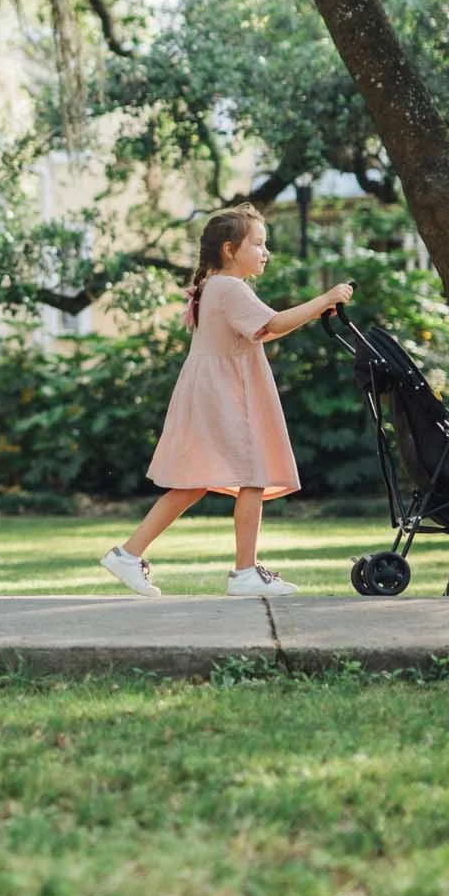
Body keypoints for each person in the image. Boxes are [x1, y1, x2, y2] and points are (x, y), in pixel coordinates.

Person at [98, 204, 352, 600]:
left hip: (211, 391)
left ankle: (128, 555)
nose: (266, 252)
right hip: (226, 395)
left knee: (193, 483)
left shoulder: (214, 287)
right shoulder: (230, 288)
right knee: (252, 475)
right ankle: (244, 572)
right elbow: (273, 324)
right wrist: (325, 298)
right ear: (230, 249)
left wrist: (315, 309)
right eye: (259, 244)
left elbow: (262, 331)